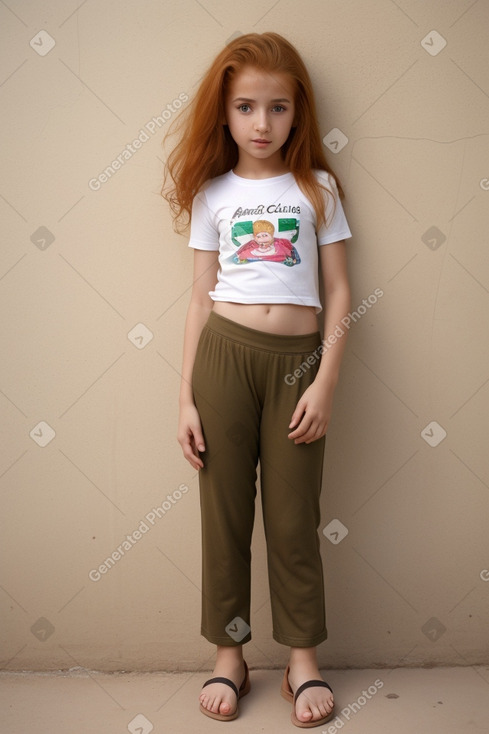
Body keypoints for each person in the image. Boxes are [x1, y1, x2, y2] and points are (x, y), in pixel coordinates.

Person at [162, 31, 352, 728]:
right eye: (246, 107)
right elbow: (196, 298)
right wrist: (183, 395)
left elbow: (337, 293)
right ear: (225, 113)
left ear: (296, 111)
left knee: (293, 514)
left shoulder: (317, 188)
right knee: (224, 513)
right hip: (223, 356)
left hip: (297, 363)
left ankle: (301, 660)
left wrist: (325, 380)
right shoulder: (213, 194)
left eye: (276, 107)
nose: (261, 124)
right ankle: (230, 654)